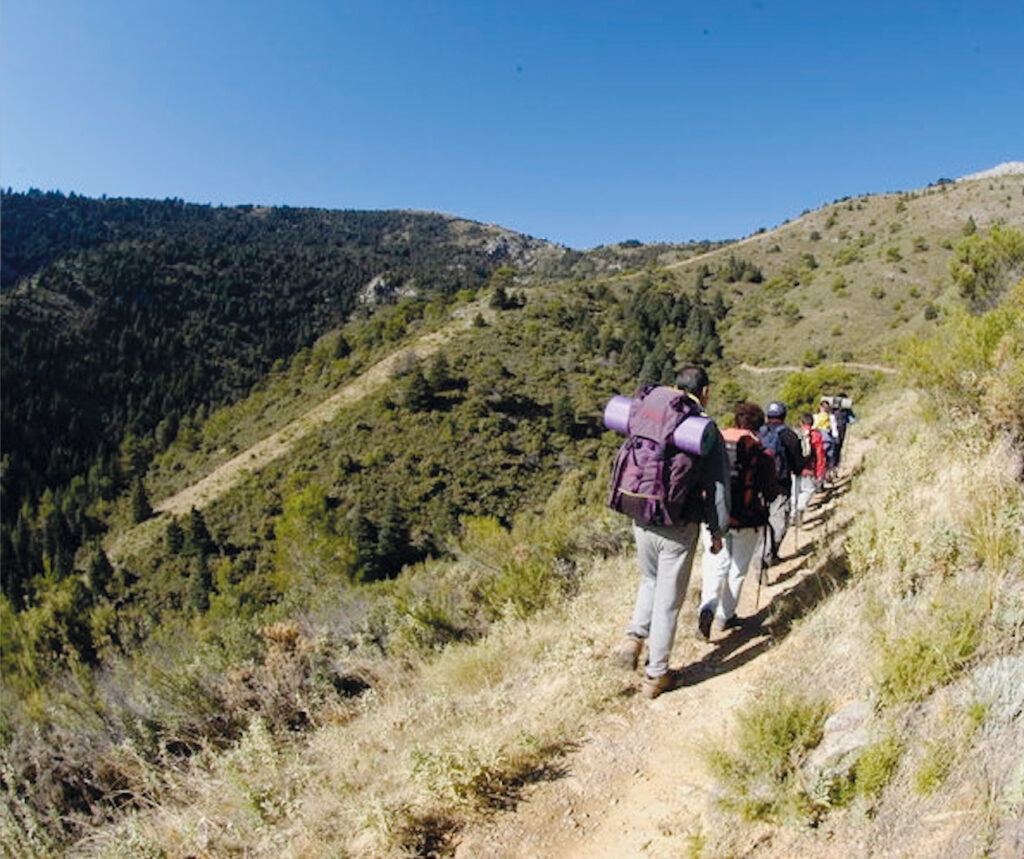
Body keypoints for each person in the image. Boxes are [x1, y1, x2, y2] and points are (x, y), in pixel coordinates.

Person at [616, 366, 730, 699]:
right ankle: (657, 675)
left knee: (649, 580)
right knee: (669, 600)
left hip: (641, 512)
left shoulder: (651, 413)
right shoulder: (702, 430)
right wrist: (718, 528)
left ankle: (633, 639)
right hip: (678, 525)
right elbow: (718, 485)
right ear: (705, 391)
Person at [697, 402, 778, 635]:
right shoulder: (761, 453)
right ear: (759, 426)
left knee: (714, 564)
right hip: (748, 519)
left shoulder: (716, 442)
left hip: (714, 517)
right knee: (737, 569)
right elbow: (771, 492)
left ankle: (707, 606)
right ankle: (725, 616)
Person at [758, 401, 805, 563]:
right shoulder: (790, 435)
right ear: (784, 416)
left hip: (758, 484)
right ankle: (768, 554)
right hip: (781, 485)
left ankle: (762, 555)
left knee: (762, 521)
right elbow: (798, 465)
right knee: (779, 522)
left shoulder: (758, 433)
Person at [795, 413, 826, 520]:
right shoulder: (816, 435)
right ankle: (799, 508)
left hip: (794, 469)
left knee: (795, 492)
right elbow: (820, 455)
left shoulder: (795, 433)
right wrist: (820, 472)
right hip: (809, 468)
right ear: (812, 423)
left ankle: (793, 513)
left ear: (800, 423)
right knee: (808, 490)